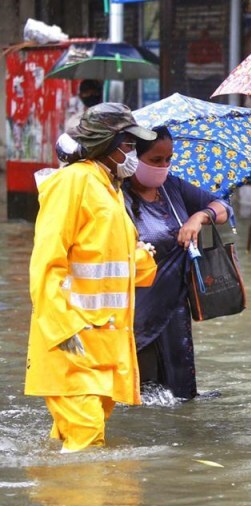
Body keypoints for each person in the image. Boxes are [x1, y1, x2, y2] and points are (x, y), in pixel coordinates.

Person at [26, 102, 158, 452]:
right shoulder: (73, 182)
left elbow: (107, 260)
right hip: (72, 341)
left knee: (76, 443)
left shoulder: (109, 189)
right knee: (87, 443)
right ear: (107, 144)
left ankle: (67, 501)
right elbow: (46, 261)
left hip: (101, 346)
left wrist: (143, 257)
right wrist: (61, 328)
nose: (133, 153)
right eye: (128, 145)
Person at [123, 126, 232, 400]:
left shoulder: (172, 188)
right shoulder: (114, 195)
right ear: (133, 157)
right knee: (142, 396)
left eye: (168, 159)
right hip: (136, 313)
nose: (163, 166)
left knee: (179, 395)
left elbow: (223, 208)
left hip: (175, 307)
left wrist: (199, 217)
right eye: (155, 160)